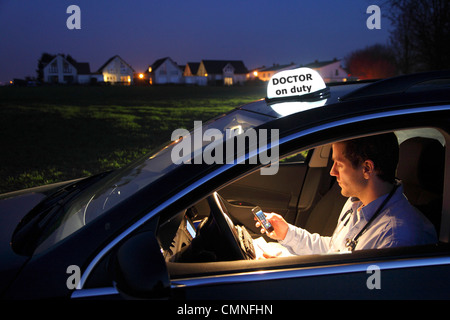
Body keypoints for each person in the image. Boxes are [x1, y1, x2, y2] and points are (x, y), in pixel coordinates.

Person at [257, 133, 438, 257]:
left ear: (366, 168)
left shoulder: (395, 238)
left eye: (339, 164)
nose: (332, 172)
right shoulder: (357, 204)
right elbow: (334, 251)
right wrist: (287, 233)